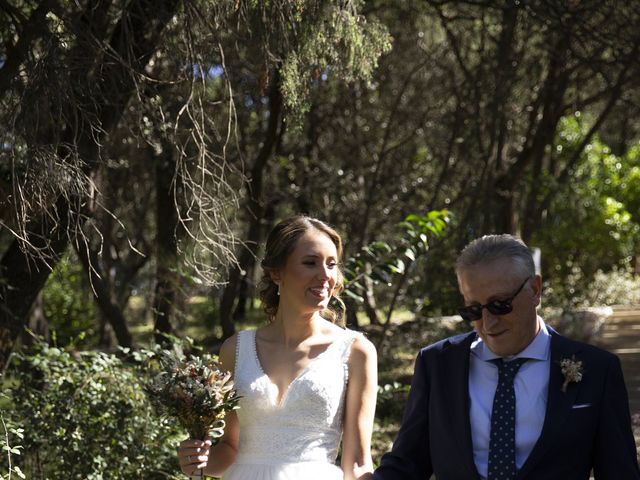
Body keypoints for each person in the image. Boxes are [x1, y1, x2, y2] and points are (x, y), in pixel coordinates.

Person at [373, 234, 640, 480]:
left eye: (500, 305)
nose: (488, 323)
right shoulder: (437, 364)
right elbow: (406, 464)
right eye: (474, 310)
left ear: (535, 290)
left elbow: (619, 472)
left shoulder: (597, 370)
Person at [178, 215, 378, 480]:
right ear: (276, 272)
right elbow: (229, 449)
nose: (325, 275)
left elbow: (358, 463)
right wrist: (197, 461)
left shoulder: (356, 351)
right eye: (310, 263)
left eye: (332, 265)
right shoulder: (235, 350)